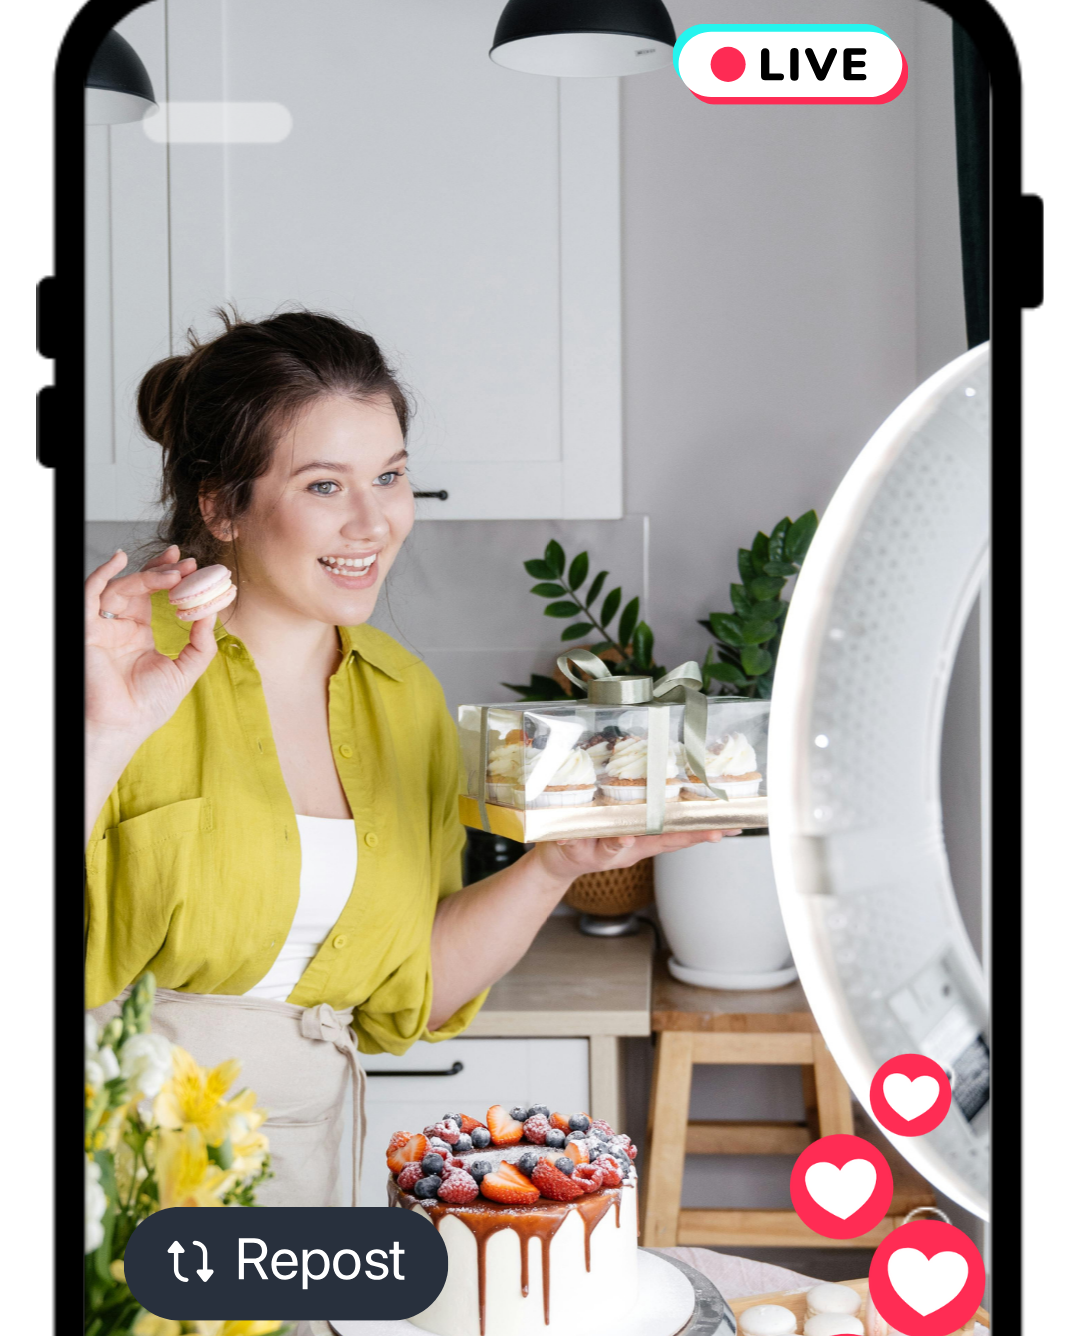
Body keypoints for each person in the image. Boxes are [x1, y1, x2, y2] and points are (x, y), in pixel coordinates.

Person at [86, 309, 736, 1204]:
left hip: (309, 1173)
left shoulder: (405, 698)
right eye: (323, 485)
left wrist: (558, 865)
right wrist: (105, 737)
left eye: (389, 476)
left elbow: (413, 992)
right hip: (118, 1165)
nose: (373, 523)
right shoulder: (118, 666)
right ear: (219, 506)